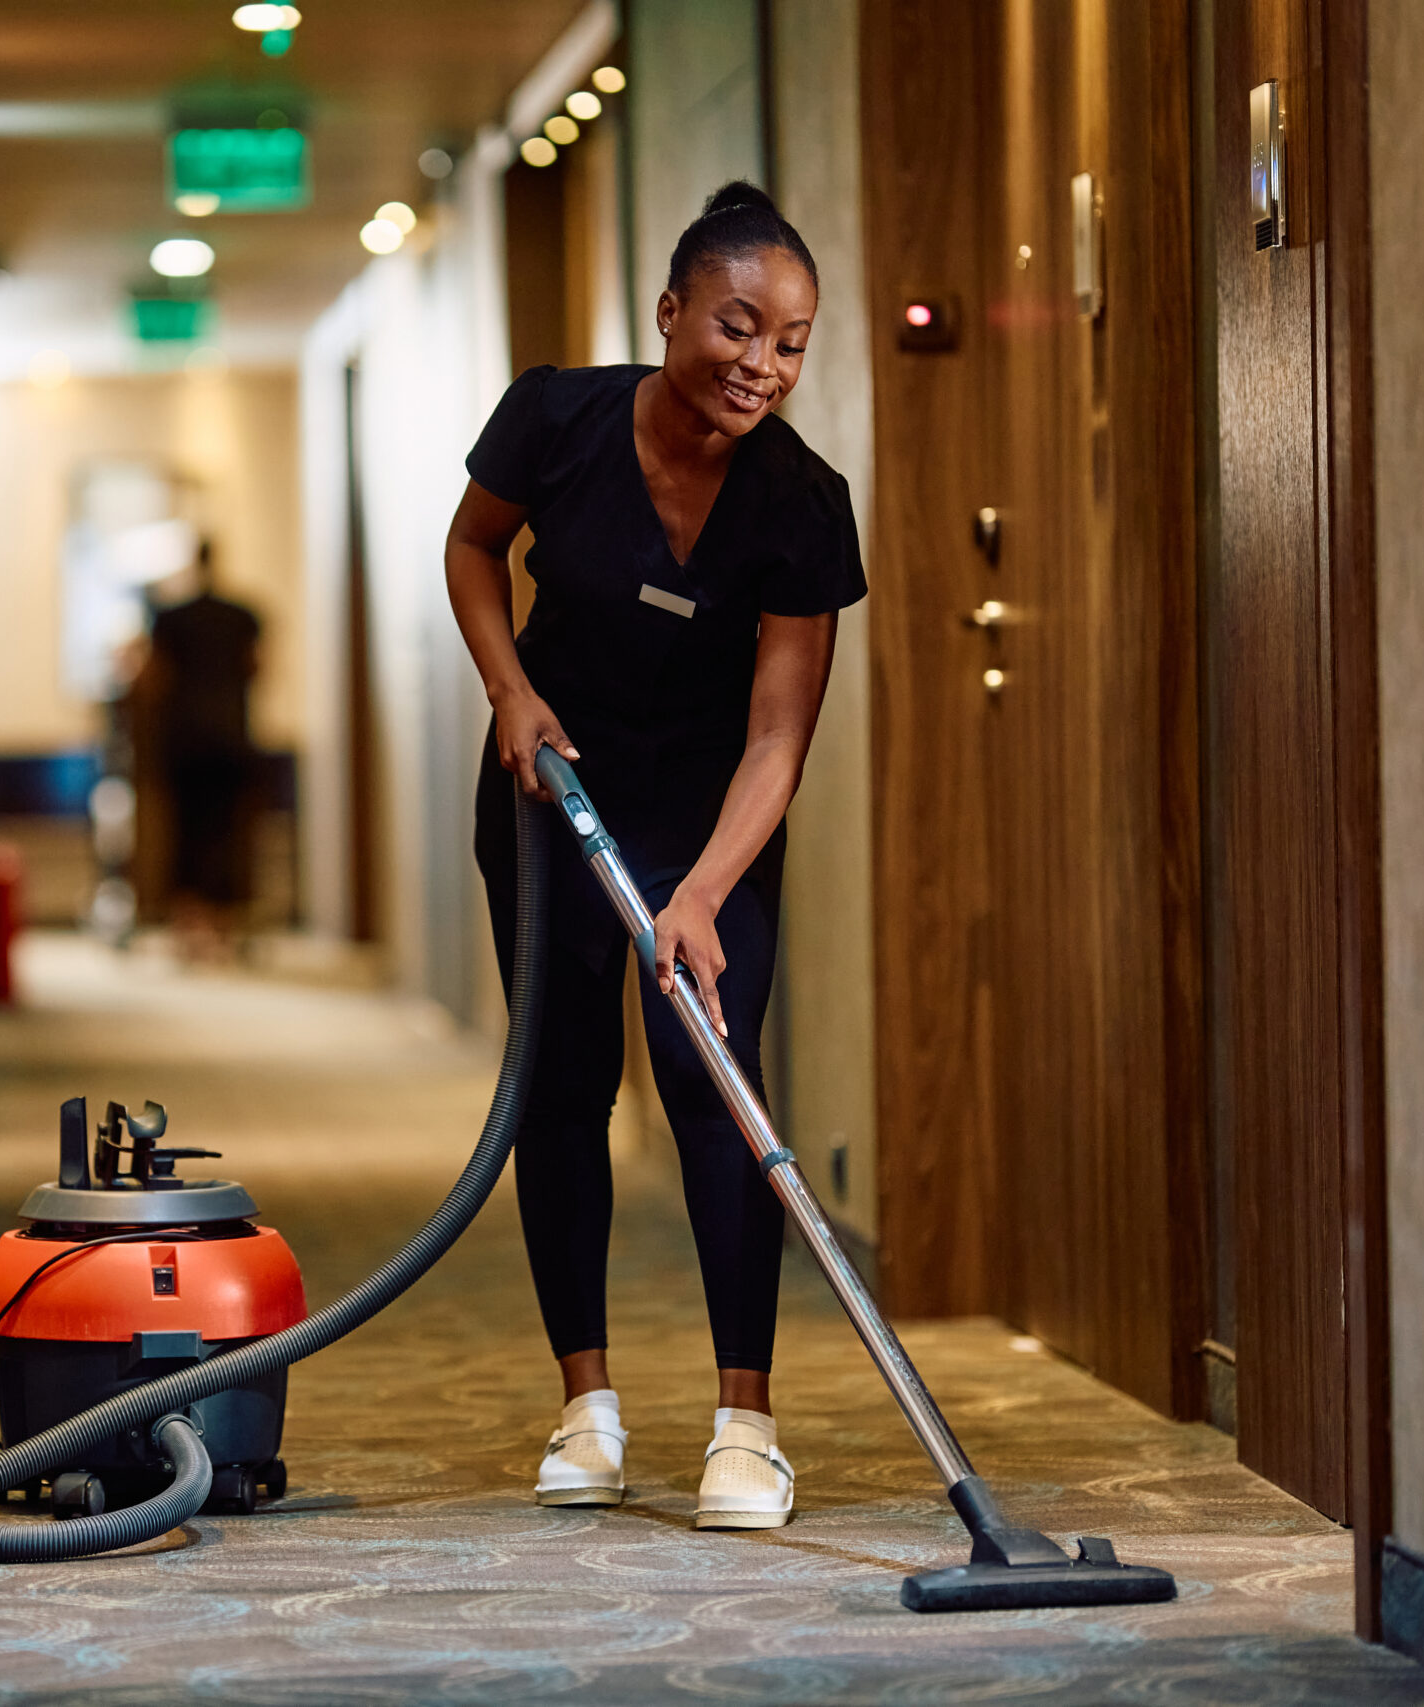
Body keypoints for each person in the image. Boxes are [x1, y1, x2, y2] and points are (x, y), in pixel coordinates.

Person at [445, 181, 864, 1531]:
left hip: (709, 811)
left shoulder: (803, 501)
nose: (763, 363)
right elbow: (472, 545)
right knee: (562, 1087)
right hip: (554, 785)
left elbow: (779, 739)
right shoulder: (556, 415)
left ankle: (747, 1423)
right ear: (672, 309)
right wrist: (509, 688)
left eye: (793, 340)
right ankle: (589, 1406)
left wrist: (700, 890)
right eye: (740, 324)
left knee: (713, 1082)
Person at [145, 542, 262, 958]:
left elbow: (154, 677)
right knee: (227, 834)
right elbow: (256, 668)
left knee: (186, 833)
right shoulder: (243, 617)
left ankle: (190, 925)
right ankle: (223, 927)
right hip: (231, 737)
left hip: (185, 740)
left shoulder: (170, 619)